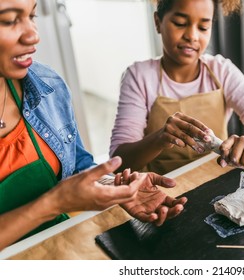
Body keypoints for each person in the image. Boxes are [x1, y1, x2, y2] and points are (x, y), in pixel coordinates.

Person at [0, 0, 186, 251]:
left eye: (32, 15)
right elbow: (59, 198)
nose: (34, 35)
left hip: (58, 249)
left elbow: (77, 168)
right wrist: (53, 204)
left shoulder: (47, 86)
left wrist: (115, 186)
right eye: (10, 20)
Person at [110, 0, 244, 174]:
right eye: (180, 23)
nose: (192, 36)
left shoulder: (221, 71)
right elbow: (118, 161)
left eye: (203, 27)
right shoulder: (139, 76)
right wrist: (159, 138)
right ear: (158, 22)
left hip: (215, 180)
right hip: (160, 189)